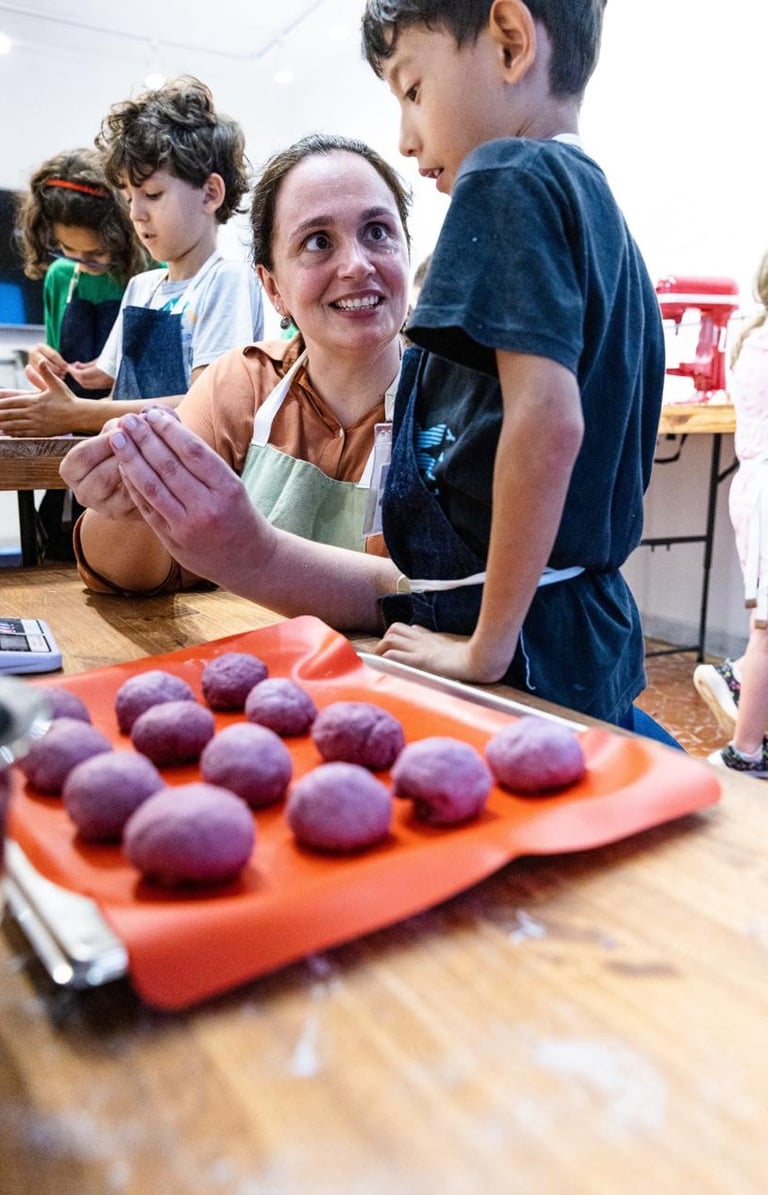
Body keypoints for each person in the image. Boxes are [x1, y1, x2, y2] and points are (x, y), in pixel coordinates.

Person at [62, 1, 676, 745]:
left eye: (412, 89)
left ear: (511, 42)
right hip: (586, 635)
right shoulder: (598, 207)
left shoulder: (508, 175)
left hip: (526, 652)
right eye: (316, 241)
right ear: (273, 286)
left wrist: (487, 641)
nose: (408, 136)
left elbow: (549, 426)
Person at [62, 132, 412, 593]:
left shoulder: (460, 399)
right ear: (272, 288)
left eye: (378, 232)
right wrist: (131, 508)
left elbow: (453, 594)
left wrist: (258, 556)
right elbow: (127, 576)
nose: (357, 265)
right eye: (318, 241)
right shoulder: (244, 384)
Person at [0, 76, 263, 438]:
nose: (136, 214)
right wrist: (59, 376)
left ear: (210, 194)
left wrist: (76, 415)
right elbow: (104, 380)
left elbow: (208, 404)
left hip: (184, 484)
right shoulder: (142, 287)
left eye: (152, 194)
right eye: (128, 198)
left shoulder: (225, 280)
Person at [8, 147, 149, 558]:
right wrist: (43, 360)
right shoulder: (60, 278)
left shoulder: (151, 273)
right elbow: (56, 356)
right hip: (70, 442)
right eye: (68, 251)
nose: (81, 263)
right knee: (57, 550)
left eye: (96, 255)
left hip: (129, 436)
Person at [701, 248, 768, 776]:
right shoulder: (763, 342)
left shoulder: (753, 335)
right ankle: (742, 753)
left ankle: (739, 678)